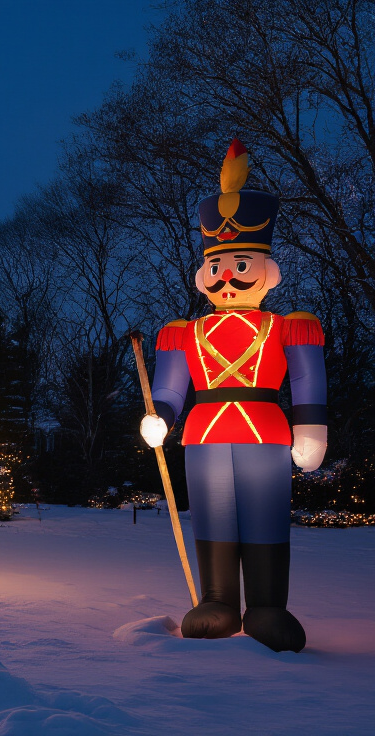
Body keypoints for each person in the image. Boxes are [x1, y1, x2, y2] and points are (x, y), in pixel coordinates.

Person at [140, 140, 326, 653]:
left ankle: (267, 604)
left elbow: (308, 380)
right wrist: (161, 416)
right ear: (205, 271)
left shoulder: (289, 327)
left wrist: (312, 428)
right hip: (203, 434)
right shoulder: (184, 332)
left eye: (239, 264)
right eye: (219, 265)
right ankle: (219, 600)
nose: (226, 276)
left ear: (263, 268)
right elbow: (170, 387)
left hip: (265, 430)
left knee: (264, 515)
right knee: (214, 515)